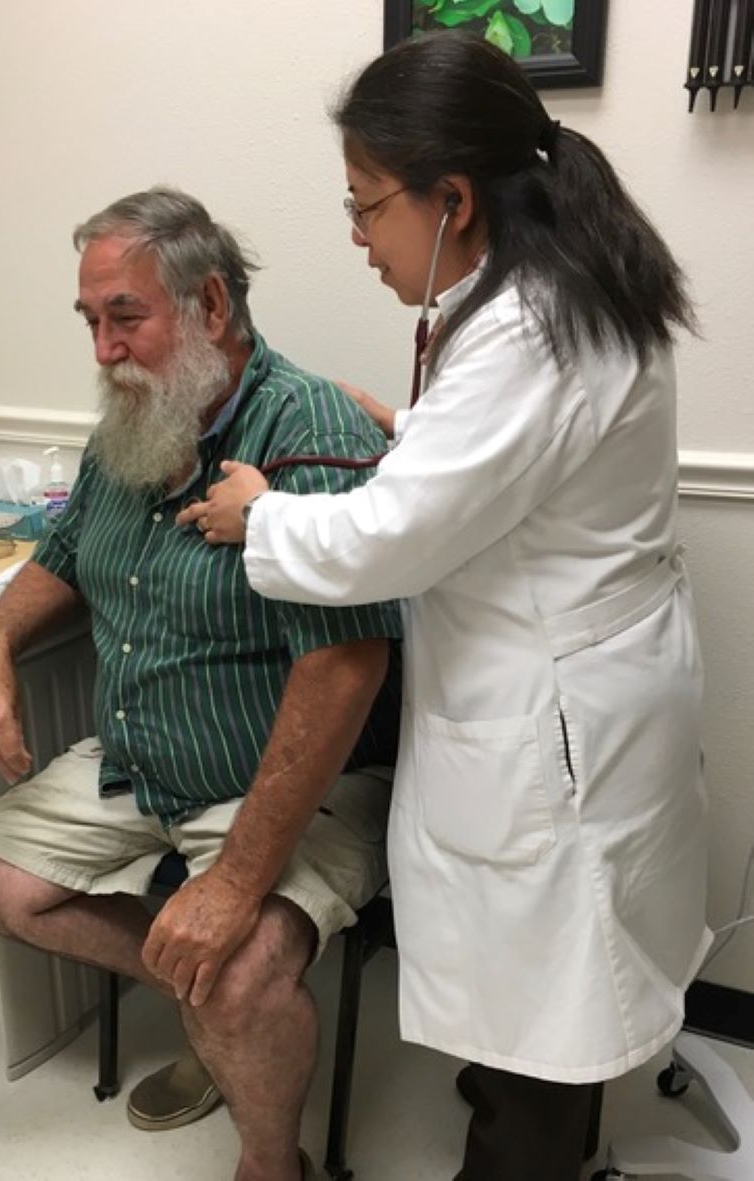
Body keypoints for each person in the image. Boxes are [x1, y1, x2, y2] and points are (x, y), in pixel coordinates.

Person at [178, 34, 711, 1181]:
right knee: (555, 961)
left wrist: (258, 515)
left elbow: (385, 541)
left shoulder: (528, 330)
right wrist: (415, 434)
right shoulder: (558, 279)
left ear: (454, 198)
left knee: (551, 979)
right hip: (597, 674)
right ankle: (531, 1101)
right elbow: (510, 469)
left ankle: (524, 1152)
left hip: (552, 714)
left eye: (367, 205)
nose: (358, 235)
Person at [0, 187, 401, 1181]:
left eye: (125, 318)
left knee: (234, 971)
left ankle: (271, 1153)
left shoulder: (307, 427)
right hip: (138, 766)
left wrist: (235, 883)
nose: (104, 349)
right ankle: (211, 1001)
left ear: (210, 310)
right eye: (92, 322)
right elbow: (61, 556)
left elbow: (346, 661)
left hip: (288, 782)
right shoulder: (131, 424)